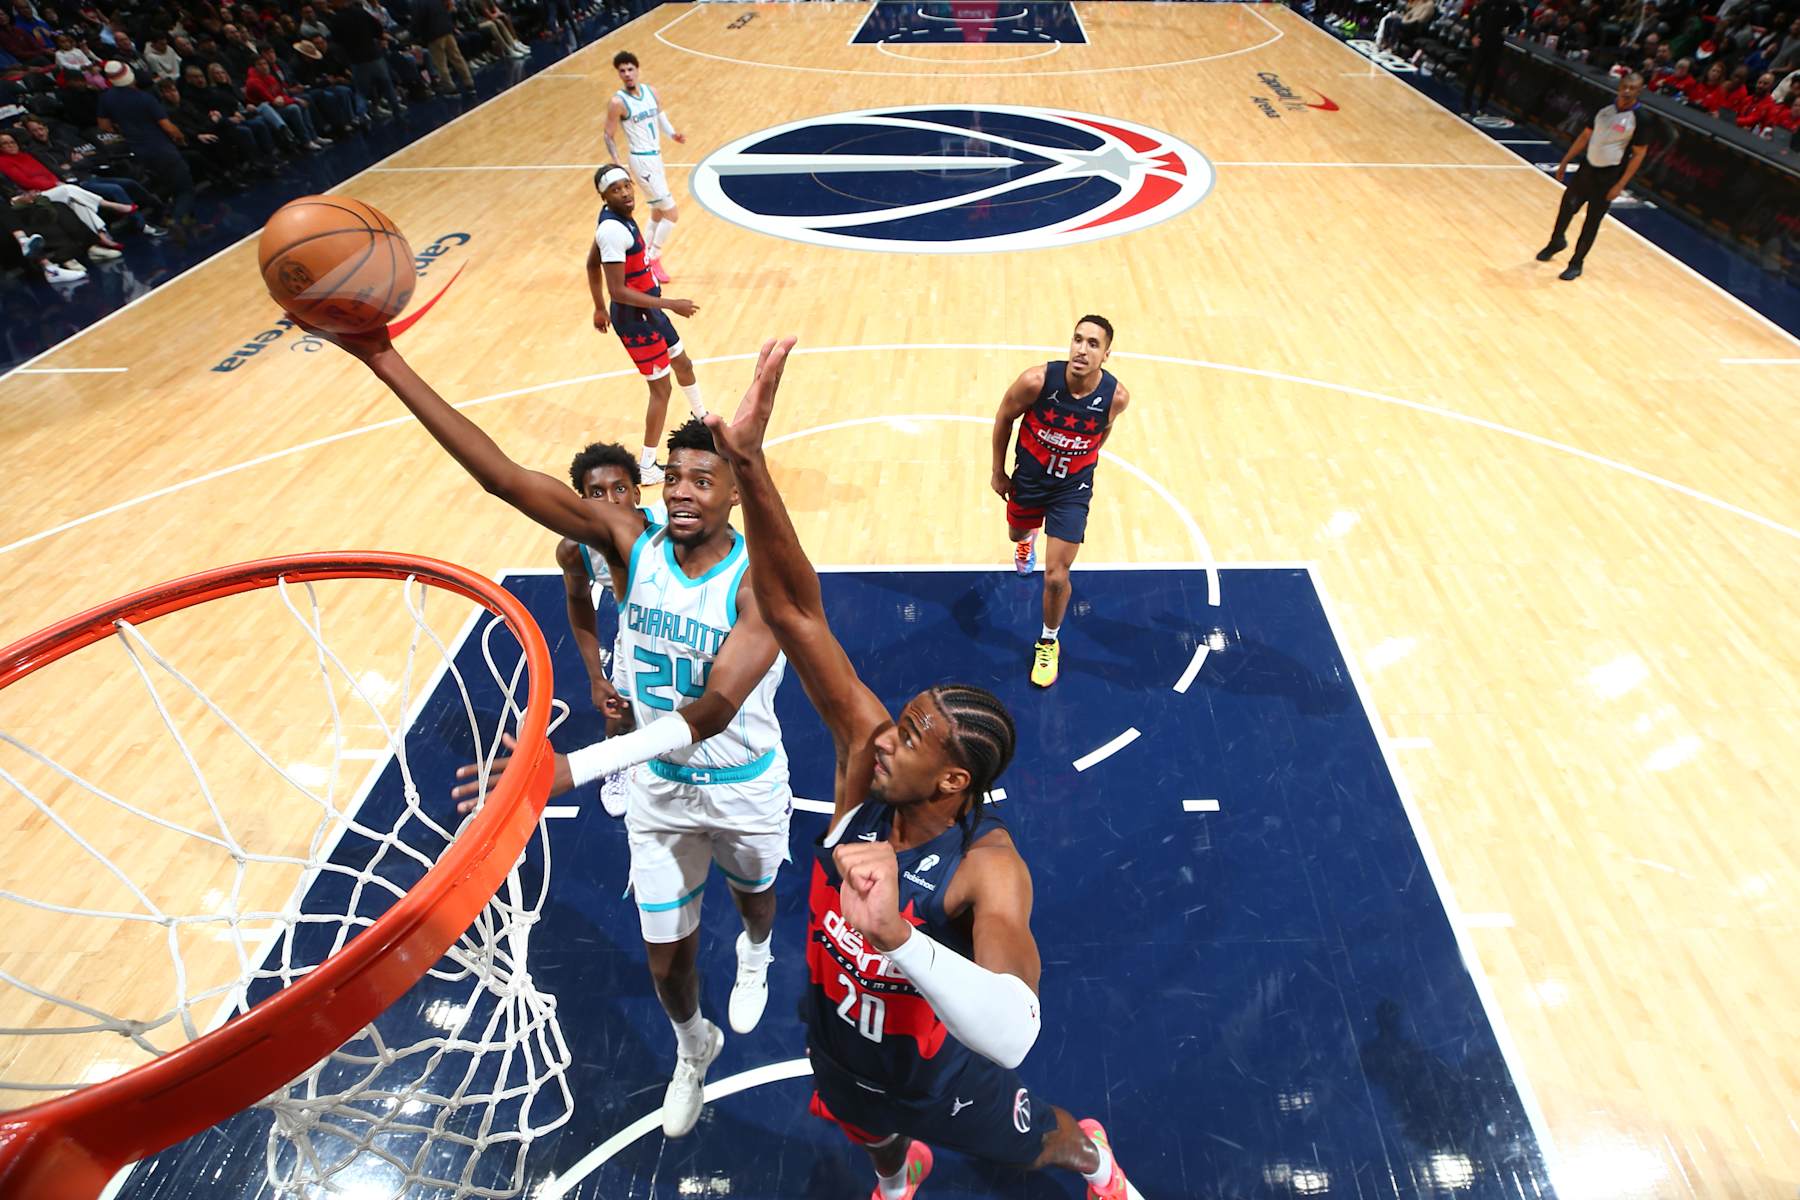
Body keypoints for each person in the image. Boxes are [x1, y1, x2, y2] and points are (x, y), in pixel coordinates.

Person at [307, 324, 791, 1143]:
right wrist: (381, 355)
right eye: (670, 477)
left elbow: (708, 712)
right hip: (658, 793)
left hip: (742, 785)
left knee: (754, 900)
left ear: (734, 491)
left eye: (701, 480)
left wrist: (573, 767)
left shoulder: (764, 583)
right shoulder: (628, 543)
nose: (679, 492)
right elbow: (501, 477)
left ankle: (755, 953)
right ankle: (690, 1045)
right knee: (665, 960)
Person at [701, 336, 1137, 1200]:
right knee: (870, 1134)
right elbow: (794, 610)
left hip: (940, 1077)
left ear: (951, 783)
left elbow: (1013, 1030)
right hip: (836, 1038)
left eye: (911, 734)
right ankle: (901, 1176)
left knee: (1037, 1142)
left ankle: (1096, 1159)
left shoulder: (987, 869)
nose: (886, 738)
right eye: (898, 724)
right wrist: (748, 463)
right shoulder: (867, 769)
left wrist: (900, 939)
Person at [988, 316, 1131, 688]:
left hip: (1072, 489)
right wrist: (998, 471)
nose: (1082, 350)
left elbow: (1102, 432)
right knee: (1016, 530)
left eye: (1093, 344)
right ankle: (1026, 540)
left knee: (1056, 577)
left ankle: (1048, 641)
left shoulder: (1116, 398)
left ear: (1107, 354)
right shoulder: (1036, 381)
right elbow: (1004, 417)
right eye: (1078, 339)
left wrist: (1078, 463)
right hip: (1030, 478)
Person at [554, 440, 667, 817]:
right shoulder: (575, 550)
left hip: (691, 631)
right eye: (596, 493)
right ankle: (618, 768)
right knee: (619, 712)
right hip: (635, 635)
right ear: (582, 501)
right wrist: (594, 676)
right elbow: (578, 601)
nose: (611, 499)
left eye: (619, 488)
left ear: (636, 493)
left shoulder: (670, 527)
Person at [588, 162, 706, 487]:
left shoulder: (619, 220)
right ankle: (648, 465)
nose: (626, 193)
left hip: (649, 312)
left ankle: (702, 418)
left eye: (627, 185)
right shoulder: (611, 231)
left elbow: (590, 262)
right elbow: (618, 290)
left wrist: (599, 308)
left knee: (684, 363)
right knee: (661, 389)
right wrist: (671, 304)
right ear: (604, 195)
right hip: (635, 319)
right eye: (617, 189)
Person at [1536, 72, 1652, 281]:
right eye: (1624, 86)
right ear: (1619, 86)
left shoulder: (1640, 119)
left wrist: (1620, 185)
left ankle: (1576, 262)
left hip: (1609, 175)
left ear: (1639, 91)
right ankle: (1556, 241)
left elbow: (1639, 155)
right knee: (1567, 207)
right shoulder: (1603, 106)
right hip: (1587, 167)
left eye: (1632, 88)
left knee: (1592, 221)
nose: (1627, 91)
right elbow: (1585, 135)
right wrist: (1565, 160)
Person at [603, 49, 685, 283]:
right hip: (640, 160)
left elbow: (660, 116)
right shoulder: (618, 102)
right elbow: (608, 135)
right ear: (618, 75)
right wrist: (617, 163)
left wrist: (672, 134)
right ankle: (653, 257)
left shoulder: (651, 92)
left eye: (630, 69)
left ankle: (642, 258)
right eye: (622, 71)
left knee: (658, 211)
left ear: (637, 70)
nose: (627, 74)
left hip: (656, 157)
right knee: (672, 212)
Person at [93, 60, 195, 226]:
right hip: (162, 148)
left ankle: (182, 218)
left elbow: (104, 126)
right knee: (185, 188)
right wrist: (180, 138)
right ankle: (178, 222)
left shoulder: (106, 98)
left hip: (139, 151)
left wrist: (122, 129)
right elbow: (168, 127)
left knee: (167, 184)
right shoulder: (145, 98)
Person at [1462, 0, 1523, 117]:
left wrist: (1510, 28)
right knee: (1474, 75)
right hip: (1482, 41)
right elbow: (1472, 17)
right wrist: (1473, 36)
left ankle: (1482, 107)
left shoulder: (1512, 5)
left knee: (1490, 78)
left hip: (1497, 44)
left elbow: (1520, 18)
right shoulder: (1488, 3)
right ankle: (1466, 106)